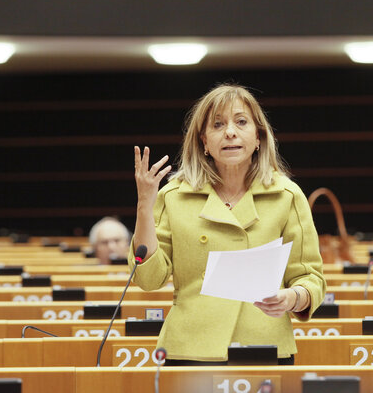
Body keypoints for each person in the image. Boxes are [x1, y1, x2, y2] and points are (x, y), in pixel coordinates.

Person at [131, 84, 326, 364]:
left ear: (258, 137)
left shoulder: (287, 195)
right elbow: (148, 279)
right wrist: (144, 206)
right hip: (191, 347)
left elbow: (311, 278)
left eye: (241, 122)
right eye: (218, 124)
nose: (230, 132)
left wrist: (293, 297)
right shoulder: (173, 196)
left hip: (263, 344)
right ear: (204, 142)